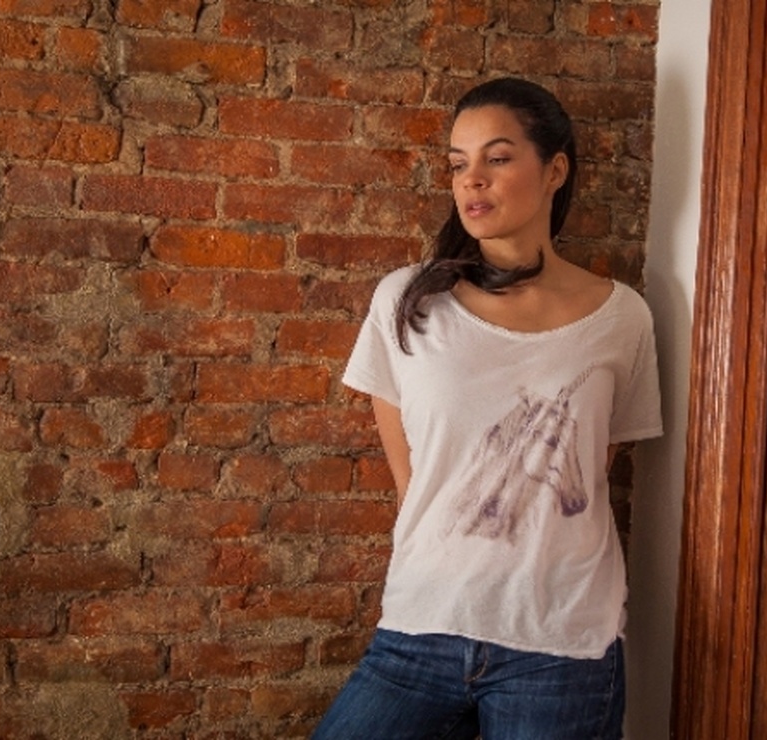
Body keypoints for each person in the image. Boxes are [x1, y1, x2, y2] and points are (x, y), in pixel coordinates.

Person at [312, 77, 663, 740]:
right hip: (422, 624)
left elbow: (589, 473)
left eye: (497, 158)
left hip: (561, 643)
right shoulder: (407, 303)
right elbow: (412, 480)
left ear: (555, 170)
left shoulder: (623, 318)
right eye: (457, 163)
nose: (471, 179)